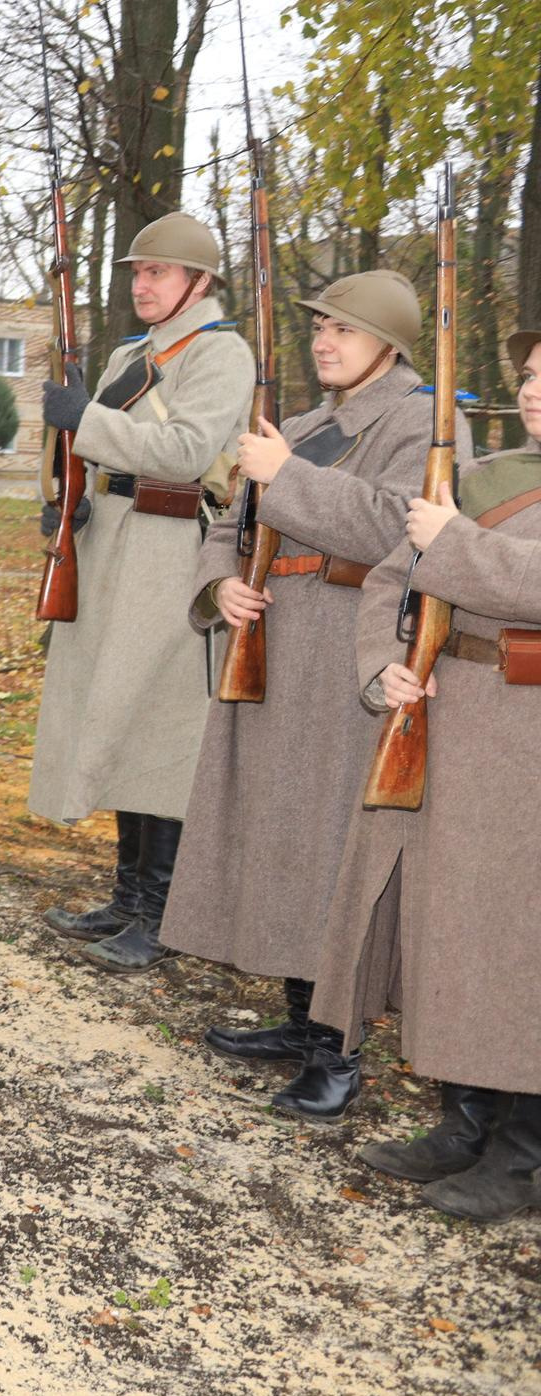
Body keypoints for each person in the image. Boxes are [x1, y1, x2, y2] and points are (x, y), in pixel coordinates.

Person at [161, 270, 431, 1120]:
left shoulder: (421, 419)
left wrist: (288, 476)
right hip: (277, 645)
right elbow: (227, 524)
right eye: (319, 327)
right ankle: (296, 1016)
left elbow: (402, 528)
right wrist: (221, 591)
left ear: (389, 343)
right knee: (281, 837)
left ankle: (337, 1049)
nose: (324, 341)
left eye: (343, 330)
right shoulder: (307, 425)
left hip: (348, 653)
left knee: (335, 852)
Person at [314, 328, 541, 1222]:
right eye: (528, 376)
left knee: (520, 944)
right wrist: (385, 665)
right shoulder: (487, 480)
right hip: (454, 716)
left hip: (527, 739)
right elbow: (386, 578)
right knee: (454, 929)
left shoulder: (468, 507)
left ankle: (523, 1155)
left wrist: (451, 543)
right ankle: (465, 1120)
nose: (532, 393)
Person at [30, 213, 255, 972]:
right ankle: (126, 897)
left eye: (158, 272)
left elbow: (189, 450)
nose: (143, 284)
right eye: (137, 272)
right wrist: (72, 498)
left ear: (199, 282)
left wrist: (86, 420)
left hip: (168, 548)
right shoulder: (134, 352)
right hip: (112, 541)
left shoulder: (222, 355)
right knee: (113, 709)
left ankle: (159, 913)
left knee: (161, 725)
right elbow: (87, 449)